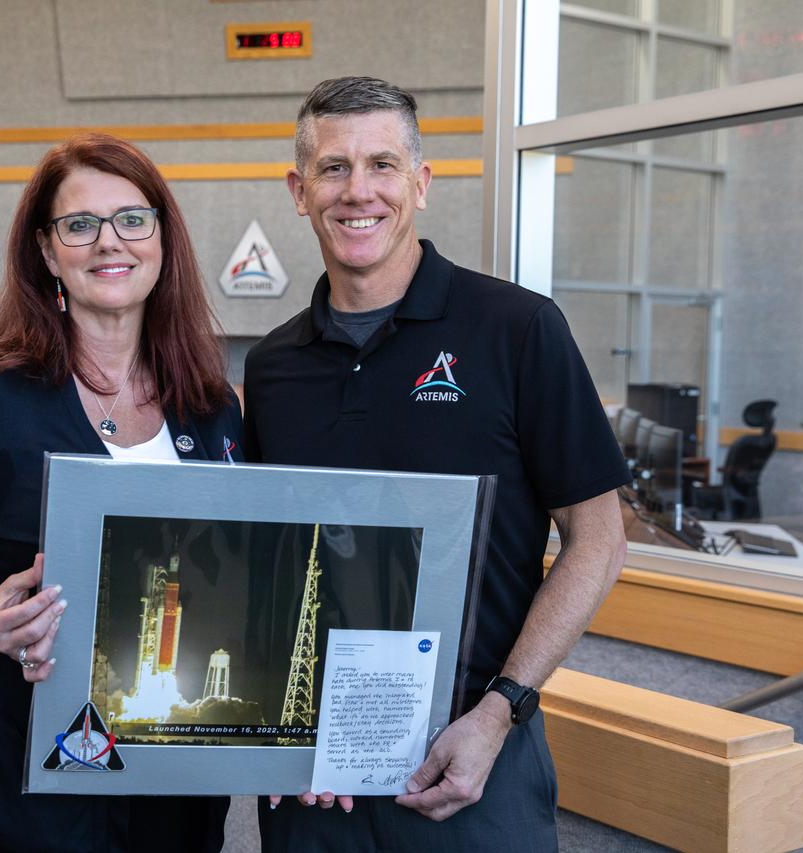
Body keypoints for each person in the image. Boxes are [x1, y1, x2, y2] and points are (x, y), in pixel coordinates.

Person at [242, 77, 630, 851]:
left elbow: (599, 539)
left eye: (383, 165)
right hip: (316, 775)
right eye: (334, 168)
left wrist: (500, 709)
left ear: (421, 183)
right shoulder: (273, 366)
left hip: (474, 755)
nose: (359, 191)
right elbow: (269, 556)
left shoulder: (517, 330)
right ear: (298, 190)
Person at [0, 134, 241, 852]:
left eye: (133, 218)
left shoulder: (212, 408)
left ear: (162, 237)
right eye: (80, 224)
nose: (110, 242)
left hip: (168, 785)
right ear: (46, 250)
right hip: (7, 783)